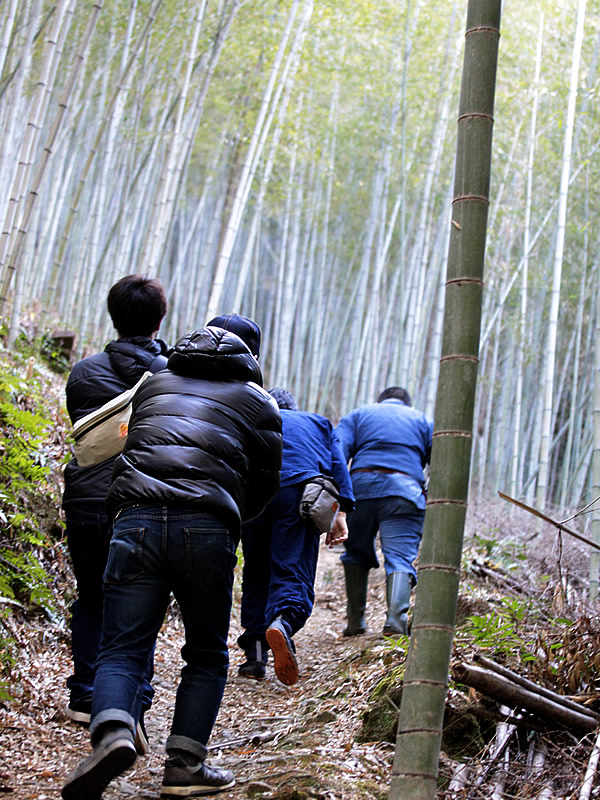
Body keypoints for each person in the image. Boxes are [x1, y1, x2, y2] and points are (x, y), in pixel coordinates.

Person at [61, 318, 282, 800]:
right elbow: (266, 481)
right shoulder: (258, 402)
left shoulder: (155, 384)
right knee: (204, 651)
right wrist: (230, 514)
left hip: (134, 517)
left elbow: (132, 444)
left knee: (122, 643)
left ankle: (114, 732)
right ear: (249, 357)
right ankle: (185, 763)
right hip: (205, 525)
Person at [62, 274, 169, 737]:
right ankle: (130, 700)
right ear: (160, 319)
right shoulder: (171, 377)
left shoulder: (84, 372)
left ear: (113, 315)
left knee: (91, 596)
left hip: (87, 498)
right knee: (140, 603)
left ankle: (86, 692)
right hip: (142, 500)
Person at [237, 387, 354, 686]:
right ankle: (283, 622)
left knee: (256, 572)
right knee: (292, 567)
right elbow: (338, 465)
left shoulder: (252, 416)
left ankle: (255, 656)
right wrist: (341, 513)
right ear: (294, 407)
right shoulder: (318, 423)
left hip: (254, 496)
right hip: (299, 495)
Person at [335, 387, 433, 637]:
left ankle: (355, 621)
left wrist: (339, 494)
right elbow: (440, 462)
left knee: (355, 552)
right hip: (405, 493)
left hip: (361, 491)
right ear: (407, 404)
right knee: (399, 557)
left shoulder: (359, 415)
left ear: (379, 402)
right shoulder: (423, 420)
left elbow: (336, 451)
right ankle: (395, 622)